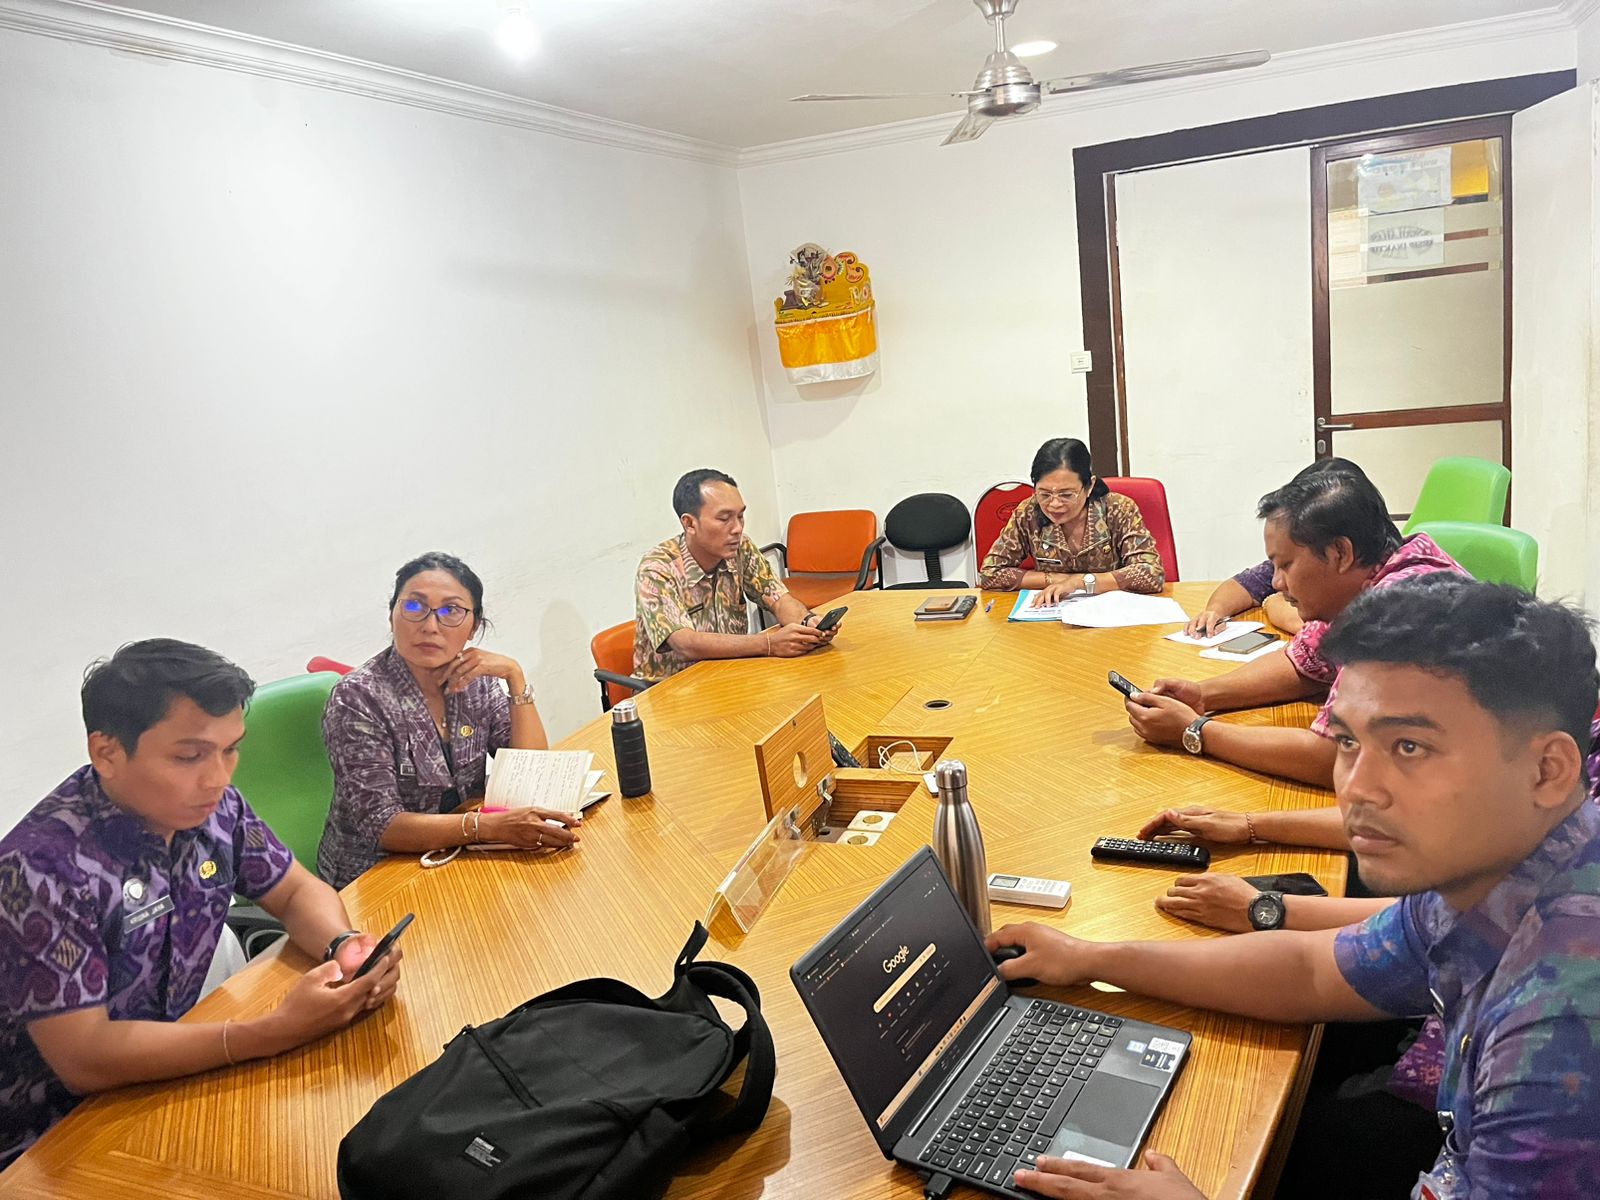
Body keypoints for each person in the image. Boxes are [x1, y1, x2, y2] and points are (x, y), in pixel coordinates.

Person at [990, 578, 1600, 1199]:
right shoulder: (1500, 874)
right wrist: (1090, 957)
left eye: (1410, 746)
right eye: (1347, 741)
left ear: (1547, 770)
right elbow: (1312, 969)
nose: (1357, 789)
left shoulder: (1559, 1037)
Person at [0, 640, 402, 1169]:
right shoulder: (40, 869)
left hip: (180, 1065)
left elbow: (295, 890)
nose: (218, 777)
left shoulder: (217, 809)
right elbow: (85, 1058)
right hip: (55, 1135)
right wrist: (270, 1033)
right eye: (189, 756)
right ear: (107, 753)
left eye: (230, 749)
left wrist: (343, 945)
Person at [1125, 459, 1464, 787]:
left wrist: (1195, 731)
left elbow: (1339, 759)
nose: (1275, 582)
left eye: (1285, 565)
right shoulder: (1366, 585)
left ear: (1339, 554)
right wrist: (1202, 695)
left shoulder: (1400, 609)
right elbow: (1304, 662)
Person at [318, 552, 573, 890]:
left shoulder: (475, 679)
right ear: (392, 615)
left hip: (460, 853)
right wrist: (486, 828)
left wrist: (515, 677)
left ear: (474, 627)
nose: (430, 625)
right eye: (413, 607)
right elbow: (382, 825)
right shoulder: (357, 698)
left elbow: (532, 770)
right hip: (376, 877)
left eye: (451, 610)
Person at [634, 468, 835, 680]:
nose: (737, 528)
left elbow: (778, 599)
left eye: (740, 516)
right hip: (673, 690)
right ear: (689, 523)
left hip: (732, 673)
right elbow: (685, 643)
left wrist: (807, 625)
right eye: (724, 519)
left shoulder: (741, 548)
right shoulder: (657, 568)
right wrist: (768, 644)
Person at [978, 437, 1165, 604]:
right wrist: (1056, 580)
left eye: (1066, 494)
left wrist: (1079, 582)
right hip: (1052, 613)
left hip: (1113, 613)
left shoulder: (1118, 509)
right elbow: (990, 574)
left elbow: (1151, 574)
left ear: (1089, 486)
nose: (1054, 504)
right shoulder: (1029, 512)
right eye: (1044, 494)